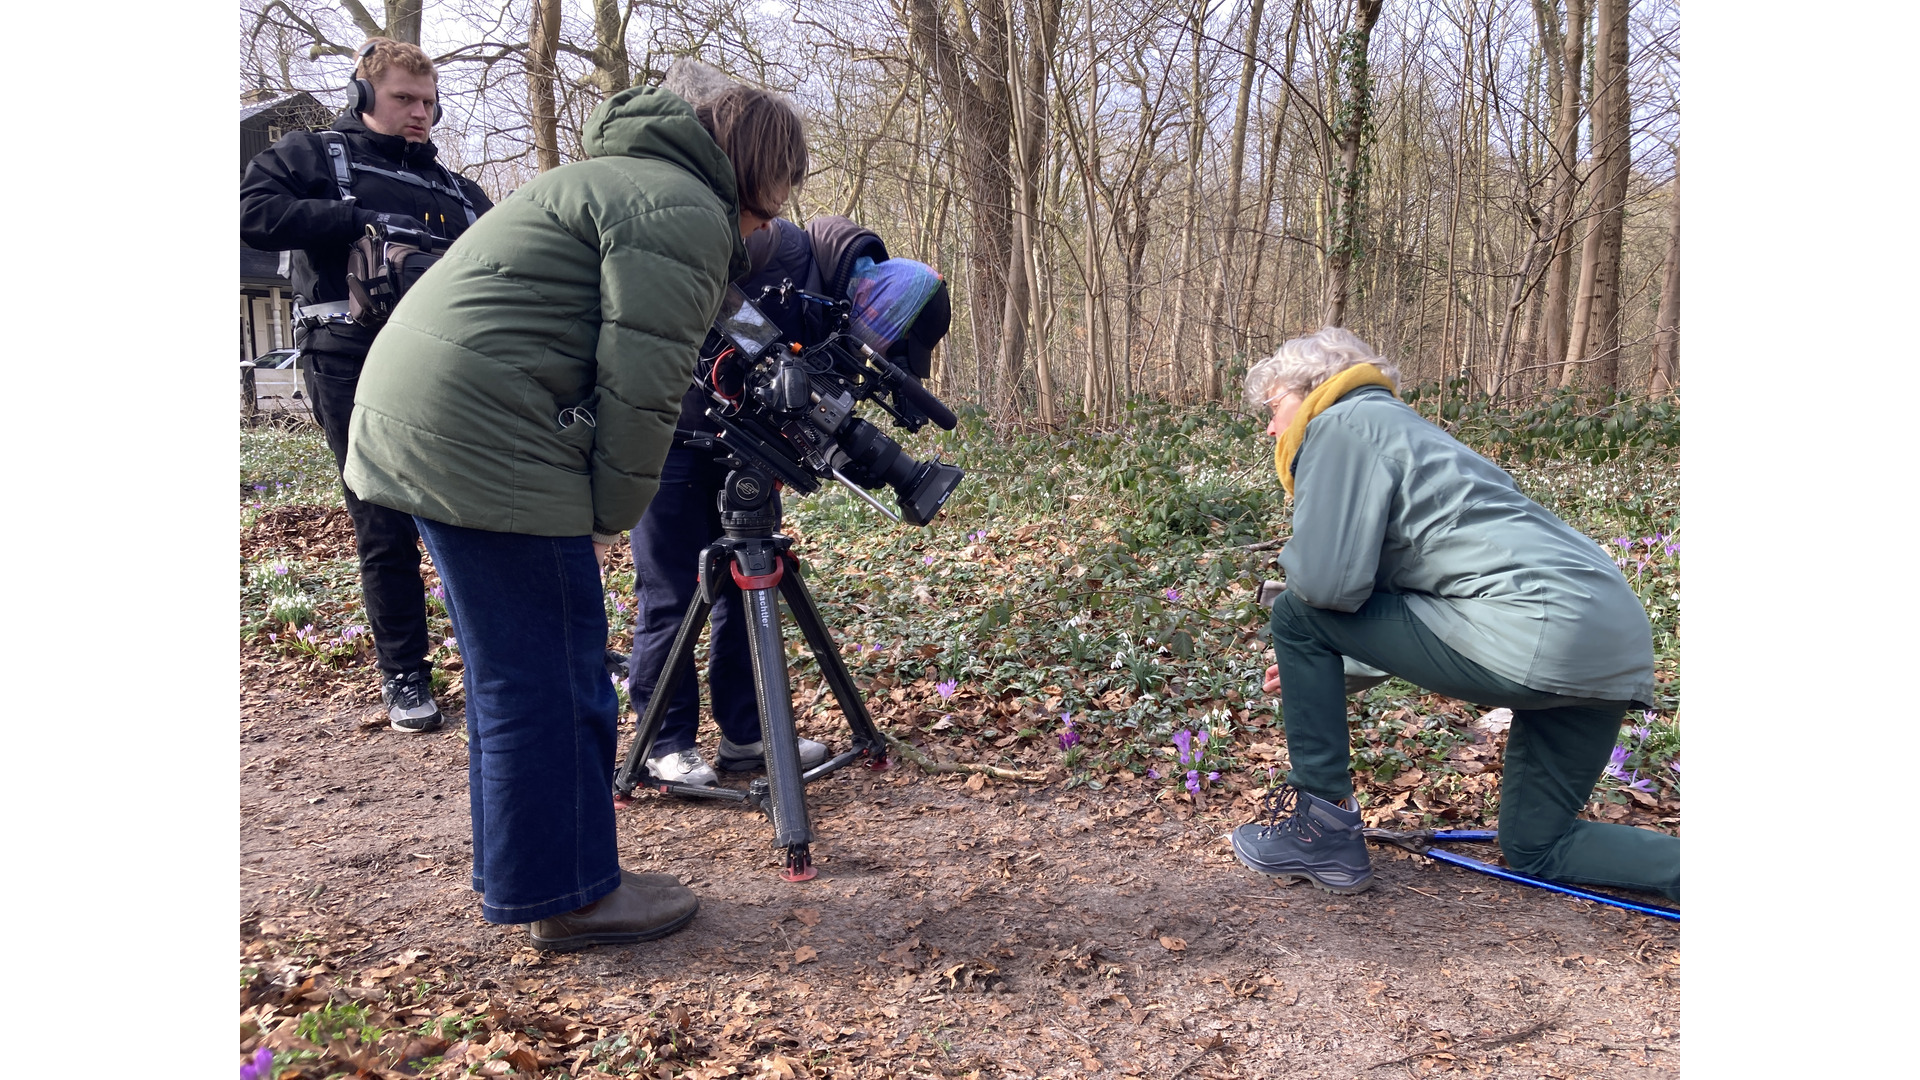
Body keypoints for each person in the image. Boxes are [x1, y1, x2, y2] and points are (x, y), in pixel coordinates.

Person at [342, 83, 809, 949]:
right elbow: (643, 389)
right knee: (554, 679)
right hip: (484, 433)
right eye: (778, 191)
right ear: (759, 172)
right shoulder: (681, 211)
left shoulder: (618, 177)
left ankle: (531, 878)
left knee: (514, 676)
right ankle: (571, 896)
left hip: (433, 415)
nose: (771, 217)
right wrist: (607, 518)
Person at [1228, 327, 1679, 902]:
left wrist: (1308, 628)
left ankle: (1322, 828)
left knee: (1293, 611)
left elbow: (1322, 587)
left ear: (1311, 389)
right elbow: (1433, 598)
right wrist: (1344, 671)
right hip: (1609, 643)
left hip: (1534, 632)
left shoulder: (1340, 425)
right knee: (1538, 847)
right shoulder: (1420, 440)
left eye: (1273, 408)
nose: (1270, 428)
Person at [630, 213, 952, 787]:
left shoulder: (827, 300)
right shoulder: (771, 246)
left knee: (746, 588)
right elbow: (703, 304)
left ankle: (747, 734)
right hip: (668, 435)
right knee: (671, 592)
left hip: (746, 448)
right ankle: (666, 741)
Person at [241, 38, 494, 733]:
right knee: (383, 519)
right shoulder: (315, 157)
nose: (419, 113)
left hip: (448, 363)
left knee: (475, 512)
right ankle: (406, 673)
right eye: (403, 99)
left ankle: (498, 656)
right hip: (350, 355)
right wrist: (354, 220)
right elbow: (252, 212)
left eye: (428, 101)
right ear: (361, 96)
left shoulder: (454, 189)